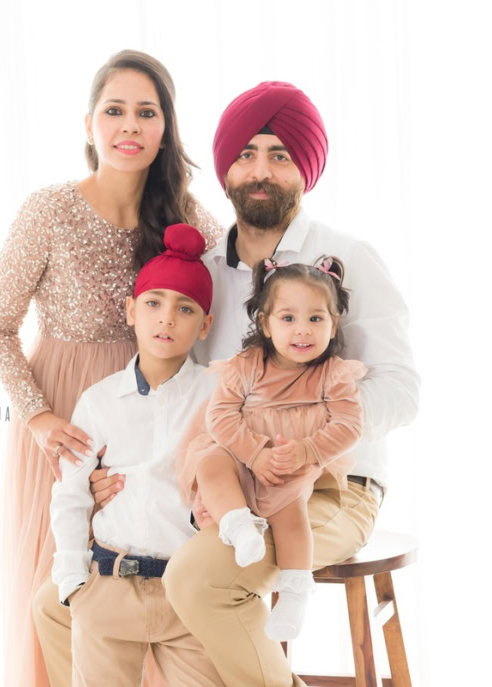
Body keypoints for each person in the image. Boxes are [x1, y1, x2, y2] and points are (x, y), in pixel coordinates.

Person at [157, 81, 421, 686]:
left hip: (333, 486)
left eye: (280, 155)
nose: (261, 171)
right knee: (108, 584)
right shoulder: (202, 274)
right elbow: (184, 392)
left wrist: (304, 440)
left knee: (197, 580)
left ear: (305, 170)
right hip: (227, 481)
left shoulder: (347, 256)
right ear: (225, 170)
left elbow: (402, 389)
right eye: (247, 154)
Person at [0, 50, 222, 687]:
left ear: (166, 128)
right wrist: (38, 418)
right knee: (65, 590)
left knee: (150, 579)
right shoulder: (49, 211)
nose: (129, 125)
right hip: (64, 419)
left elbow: (231, 313)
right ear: (89, 125)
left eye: (146, 112)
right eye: (114, 110)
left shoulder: (188, 219)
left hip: (156, 417)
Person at [49, 223, 224, 687]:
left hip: (188, 593)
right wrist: (72, 581)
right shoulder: (99, 401)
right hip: (110, 586)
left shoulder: (217, 395)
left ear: (205, 325)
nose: (166, 319)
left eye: (184, 308)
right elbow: (70, 493)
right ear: (131, 310)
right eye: (153, 303)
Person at [179, 255, 366, 642]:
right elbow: (220, 417)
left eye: (316, 318)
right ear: (265, 323)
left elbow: (349, 425)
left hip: (288, 466)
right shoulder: (247, 364)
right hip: (238, 454)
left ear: (333, 324)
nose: (303, 329)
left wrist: (305, 452)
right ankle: (238, 526)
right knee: (209, 464)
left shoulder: (333, 374)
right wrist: (254, 454)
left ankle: (294, 595)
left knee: (292, 516)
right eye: (288, 318)